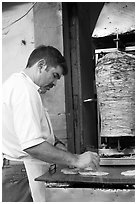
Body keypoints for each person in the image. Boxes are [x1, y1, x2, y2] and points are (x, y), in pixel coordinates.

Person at [2, 45, 100, 202]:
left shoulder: (20, 86)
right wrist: (76, 159)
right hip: (21, 173)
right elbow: (32, 145)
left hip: (21, 171)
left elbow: (38, 134)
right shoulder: (24, 91)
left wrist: (57, 146)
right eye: (54, 75)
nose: (54, 83)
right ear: (41, 65)